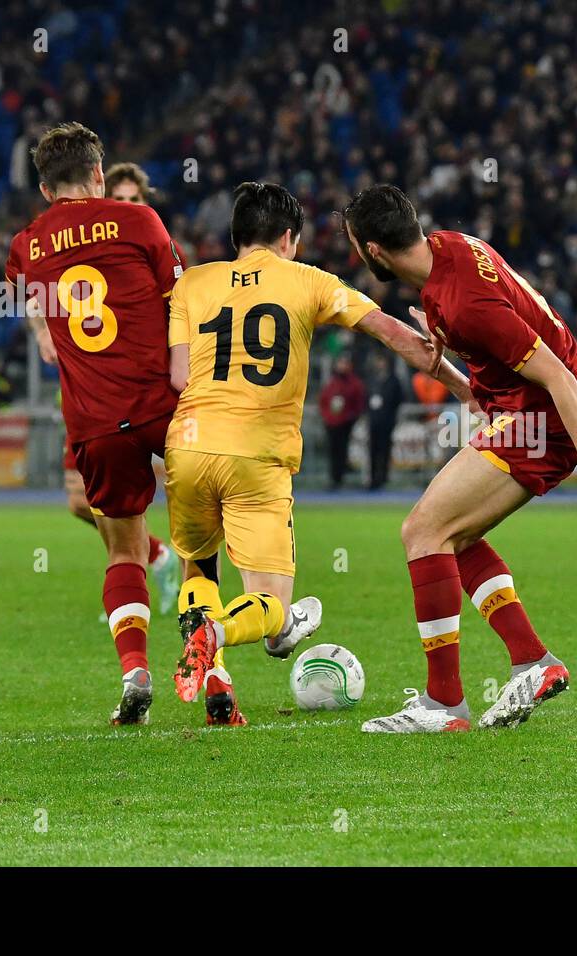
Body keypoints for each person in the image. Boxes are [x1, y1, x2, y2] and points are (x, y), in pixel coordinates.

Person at [168, 182, 475, 725]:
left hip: (187, 445)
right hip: (257, 457)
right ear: (289, 238)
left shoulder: (193, 283)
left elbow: (176, 375)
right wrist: (463, 387)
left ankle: (215, 680)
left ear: (236, 235)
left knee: (198, 561)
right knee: (272, 607)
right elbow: (392, 333)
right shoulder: (309, 281)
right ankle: (212, 636)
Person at [343, 184, 577, 733]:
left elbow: (557, 377)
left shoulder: (462, 304)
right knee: (456, 533)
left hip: (545, 419)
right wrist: (451, 367)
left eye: (356, 248)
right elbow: (486, 374)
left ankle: (443, 704)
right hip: (526, 413)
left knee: (423, 532)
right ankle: (533, 662)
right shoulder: (451, 250)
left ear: (373, 251)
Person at [6, 122, 187, 725]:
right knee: (202, 536)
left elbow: (29, 294)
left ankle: (135, 670)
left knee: (123, 550)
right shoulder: (140, 223)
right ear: (99, 173)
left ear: (42, 187)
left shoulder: (28, 244)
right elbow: (180, 299)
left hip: (95, 421)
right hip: (163, 405)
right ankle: (209, 665)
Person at [27, 160, 179, 615]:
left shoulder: (153, 243)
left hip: (155, 393)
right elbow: (31, 289)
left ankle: (183, 594)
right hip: (91, 397)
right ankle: (151, 559)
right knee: (80, 502)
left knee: (189, 493)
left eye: (136, 199)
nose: (129, 205)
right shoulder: (74, 252)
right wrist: (40, 333)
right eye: (121, 199)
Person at [318, 356, 365, 489]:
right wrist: (327, 417)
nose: (342, 366)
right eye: (341, 363)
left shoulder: (354, 383)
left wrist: (350, 417)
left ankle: (340, 478)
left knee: (343, 452)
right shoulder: (331, 382)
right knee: (333, 452)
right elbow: (323, 401)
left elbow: (358, 403)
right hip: (332, 423)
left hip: (345, 424)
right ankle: (334, 478)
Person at [366, 351, 405, 490]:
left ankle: (383, 478)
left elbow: (399, 398)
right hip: (374, 420)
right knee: (372, 450)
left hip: (387, 421)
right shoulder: (372, 379)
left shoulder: (393, 380)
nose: (380, 364)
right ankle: (372, 479)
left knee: (385, 450)